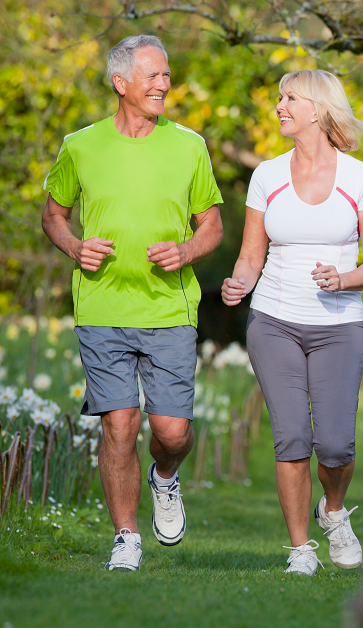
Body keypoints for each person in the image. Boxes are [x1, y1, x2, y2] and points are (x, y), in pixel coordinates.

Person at [41, 35, 224, 571]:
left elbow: (211, 225)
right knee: (118, 424)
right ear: (120, 83)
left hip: (168, 309)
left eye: (167, 75)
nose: (164, 84)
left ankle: (165, 477)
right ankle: (126, 536)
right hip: (102, 309)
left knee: (171, 432)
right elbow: (53, 214)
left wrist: (187, 249)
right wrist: (74, 245)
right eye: (153, 76)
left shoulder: (189, 145)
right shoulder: (80, 146)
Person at [221, 69, 363, 575]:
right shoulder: (266, 175)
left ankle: (333, 510)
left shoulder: (358, 176)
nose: (280, 106)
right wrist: (239, 282)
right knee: (292, 437)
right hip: (274, 320)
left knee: (336, 444)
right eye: (279, 97)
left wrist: (344, 279)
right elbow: (252, 254)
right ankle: (300, 550)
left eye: (290, 97)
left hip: (338, 325)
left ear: (317, 109)